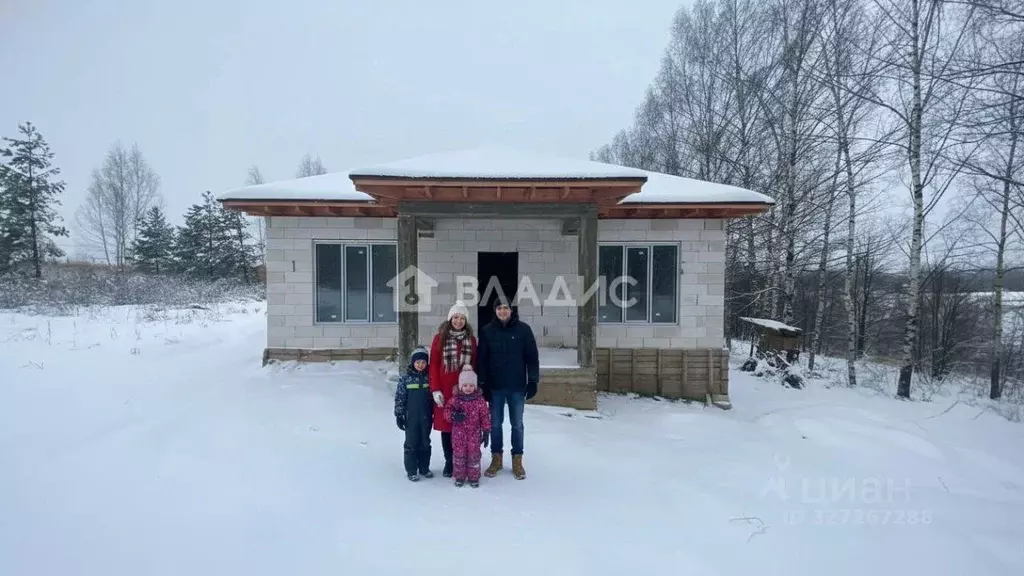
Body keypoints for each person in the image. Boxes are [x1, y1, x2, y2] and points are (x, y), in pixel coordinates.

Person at [478, 297, 539, 480]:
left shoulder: (523, 330)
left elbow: (532, 357)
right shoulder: (487, 331)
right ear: (495, 311)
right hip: (495, 387)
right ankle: (496, 459)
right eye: (499, 308)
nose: (503, 311)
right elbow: (482, 360)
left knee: (517, 425)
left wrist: (533, 381)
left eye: (506, 308)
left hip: (517, 386)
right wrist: (483, 384)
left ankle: (517, 460)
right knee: (495, 424)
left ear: (511, 310)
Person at [429, 300, 478, 478]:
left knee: (464, 427)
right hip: (445, 389)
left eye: (462, 318)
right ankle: (449, 461)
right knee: (447, 426)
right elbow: (433, 364)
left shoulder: (471, 340)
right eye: (456, 317)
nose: (458, 321)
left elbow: (474, 364)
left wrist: (474, 388)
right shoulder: (439, 338)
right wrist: (435, 389)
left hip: (465, 390)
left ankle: (462, 459)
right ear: (450, 318)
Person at [443, 365, 491, 487]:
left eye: (471, 385)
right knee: (459, 455)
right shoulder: (456, 400)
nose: (468, 388)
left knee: (474, 455)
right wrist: (454, 416)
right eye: (465, 385)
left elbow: (485, 415)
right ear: (460, 386)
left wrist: (486, 431)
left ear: (475, 386)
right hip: (458, 435)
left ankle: (473, 477)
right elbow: (446, 412)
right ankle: (459, 476)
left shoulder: (479, 400)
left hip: (474, 434)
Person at [394, 347, 433, 481]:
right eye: (418, 362)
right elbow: (400, 398)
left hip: (426, 417)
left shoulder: (430, 378)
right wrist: (399, 414)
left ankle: (424, 468)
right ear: (413, 363)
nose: (420, 365)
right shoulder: (406, 379)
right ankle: (411, 470)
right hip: (411, 418)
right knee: (411, 443)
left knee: (425, 442)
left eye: (423, 362)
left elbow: (433, 398)